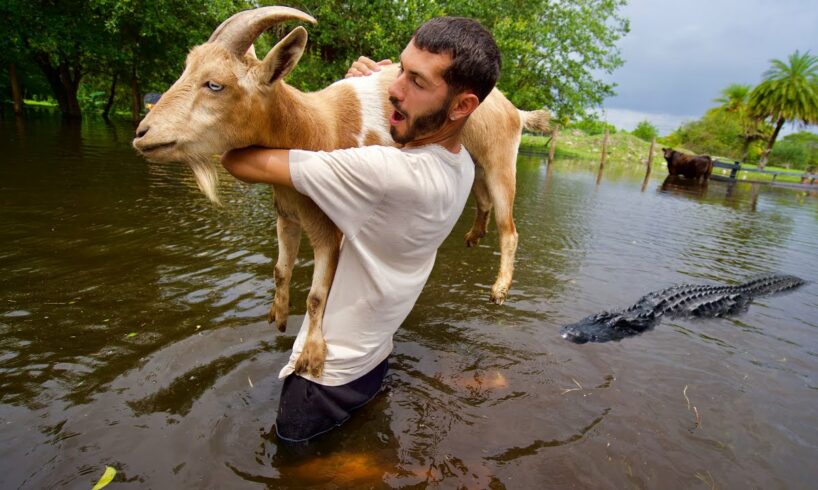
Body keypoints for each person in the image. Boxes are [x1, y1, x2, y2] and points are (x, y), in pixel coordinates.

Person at [220, 16, 501, 443]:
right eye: (399, 69)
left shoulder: (383, 172)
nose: (394, 87)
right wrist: (361, 92)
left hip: (320, 383)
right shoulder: (460, 164)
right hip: (373, 361)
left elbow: (237, 161)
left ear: (462, 107)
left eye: (417, 83)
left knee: (293, 469)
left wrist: (343, 96)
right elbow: (368, 138)